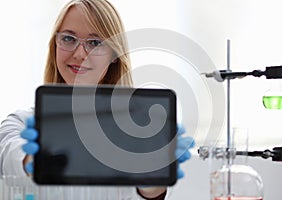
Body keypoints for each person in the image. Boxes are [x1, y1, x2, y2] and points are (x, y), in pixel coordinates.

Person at [0, 0, 194, 199]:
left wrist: (152, 184)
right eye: (68, 38)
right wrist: (33, 160)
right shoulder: (20, 123)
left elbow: (148, 195)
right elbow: (9, 155)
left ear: (114, 55)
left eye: (95, 43)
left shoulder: (139, 133)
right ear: (54, 46)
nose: (79, 54)